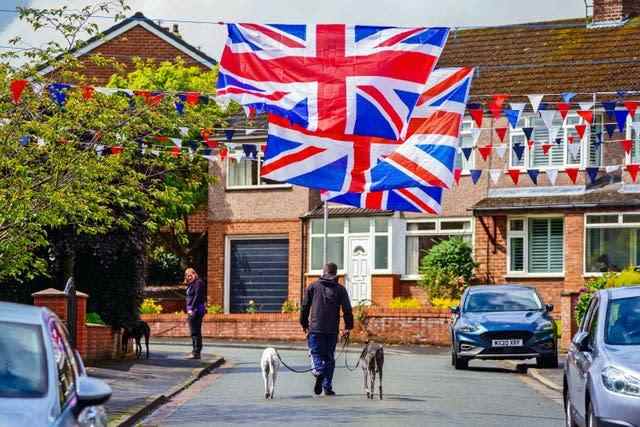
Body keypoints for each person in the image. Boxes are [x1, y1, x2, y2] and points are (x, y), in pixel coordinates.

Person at [300, 262, 353, 396]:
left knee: (316, 353)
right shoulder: (340, 289)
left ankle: (319, 371)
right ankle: (327, 387)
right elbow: (347, 310)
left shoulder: (312, 287)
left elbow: (305, 307)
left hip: (315, 328)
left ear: (322, 273)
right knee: (329, 357)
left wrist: (304, 324)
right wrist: (348, 327)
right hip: (332, 330)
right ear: (336, 274)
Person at [185, 268, 205, 359]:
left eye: (190, 275)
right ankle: (195, 351)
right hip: (191, 310)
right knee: (194, 331)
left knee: (195, 331)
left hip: (196, 310)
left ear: (194, 273)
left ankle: (196, 352)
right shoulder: (191, 284)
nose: (189, 277)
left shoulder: (198, 283)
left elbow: (197, 297)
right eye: (187, 275)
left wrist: (192, 309)